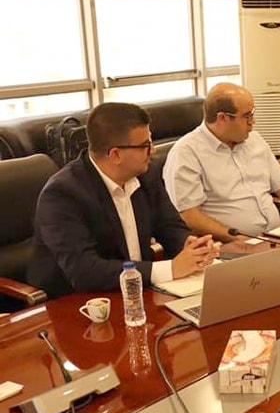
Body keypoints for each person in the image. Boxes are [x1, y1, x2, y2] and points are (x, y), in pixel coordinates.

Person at [28, 102, 218, 298]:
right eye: (145, 145)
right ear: (115, 155)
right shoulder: (62, 194)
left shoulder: (147, 174)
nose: (153, 151)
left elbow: (170, 226)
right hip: (79, 301)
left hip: (139, 291)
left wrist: (192, 246)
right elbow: (84, 271)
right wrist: (171, 268)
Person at [163, 82, 280, 242]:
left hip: (276, 238)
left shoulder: (255, 141)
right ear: (222, 118)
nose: (253, 121)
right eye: (247, 116)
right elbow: (190, 217)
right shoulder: (186, 153)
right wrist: (241, 241)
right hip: (230, 246)